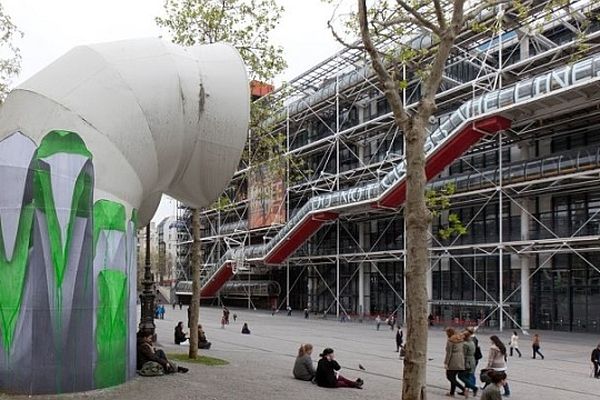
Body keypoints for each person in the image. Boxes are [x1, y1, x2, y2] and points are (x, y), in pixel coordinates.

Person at [443, 327, 466, 397]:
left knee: (449, 377)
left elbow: (449, 353)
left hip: (453, 360)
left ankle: (463, 389)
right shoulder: (461, 339)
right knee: (453, 377)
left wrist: (446, 363)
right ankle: (452, 393)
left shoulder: (450, 341)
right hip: (460, 359)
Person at [459, 329, 478, 396]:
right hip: (472, 360)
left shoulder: (465, 344)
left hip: (467, 362)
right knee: (467, 376)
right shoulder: (472, 342)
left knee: (460, 376)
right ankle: (465, 391)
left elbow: (463, 355)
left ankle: (474, 387)